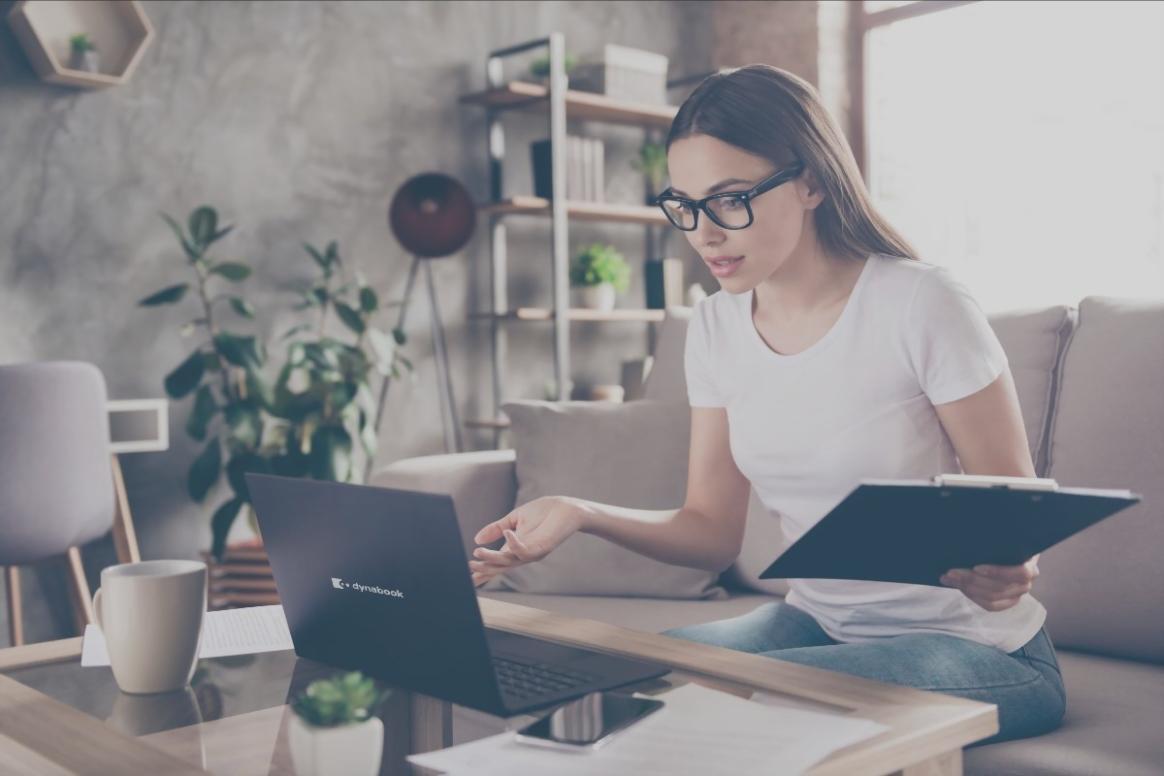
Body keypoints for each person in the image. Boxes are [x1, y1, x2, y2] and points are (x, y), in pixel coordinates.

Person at [469, 65, 1065, 744]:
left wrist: (1010, 569)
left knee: (738, 712)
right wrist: (580, 513)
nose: (704, 233)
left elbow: (1016, 516)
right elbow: (710, 529)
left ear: (810, 180)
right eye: (685, 205)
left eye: (729, 199)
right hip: (817, 622)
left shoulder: (922, 303)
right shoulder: (716, 328)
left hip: (980, 649)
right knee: (636, 683)